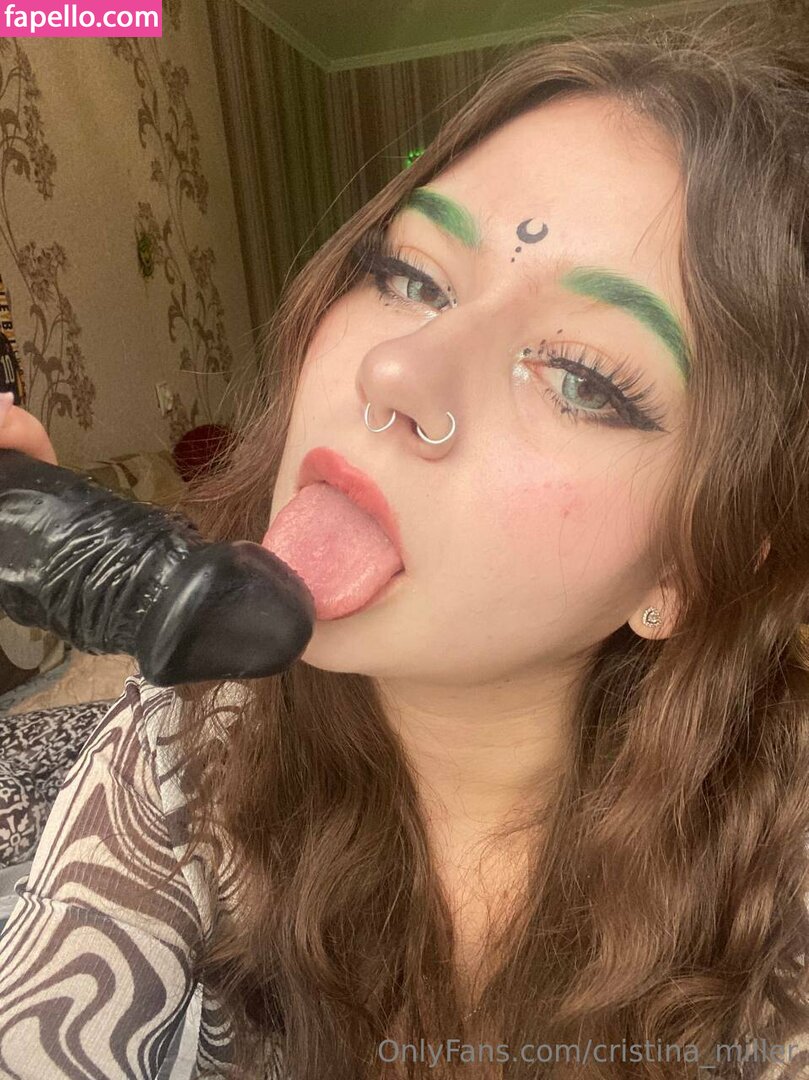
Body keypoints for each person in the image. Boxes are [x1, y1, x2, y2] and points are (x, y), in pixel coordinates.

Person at [2, 0, 809, 1076]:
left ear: (689, 566)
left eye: (581, 379)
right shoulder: (191, 740)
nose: (394, 370)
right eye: (410, 277)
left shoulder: (780, 870)